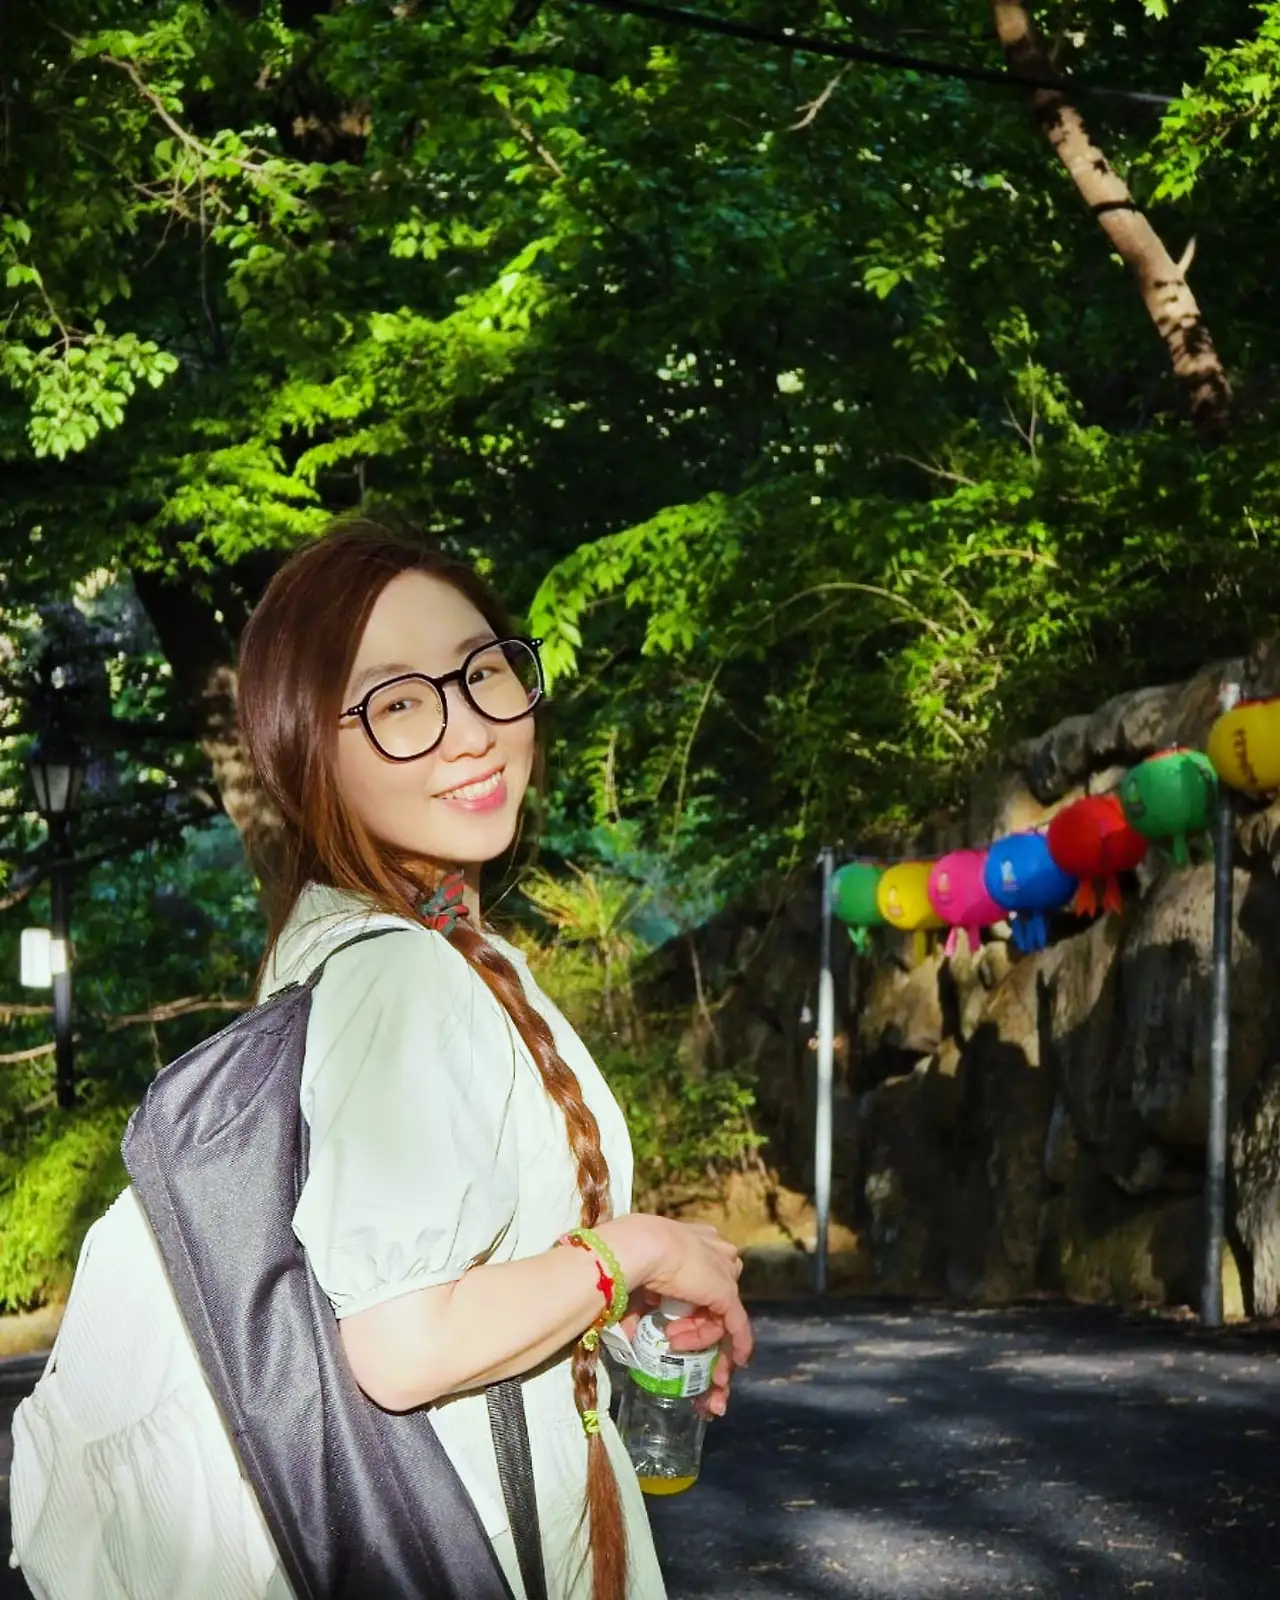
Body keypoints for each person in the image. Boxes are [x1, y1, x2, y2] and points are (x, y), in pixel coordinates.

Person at [12, 519, 753, 1600]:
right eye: (398, 704)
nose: (469, 732)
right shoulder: (398, 977)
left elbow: (451, 1280)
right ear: (303, 748)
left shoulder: (374, 951)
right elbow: (402, 1346)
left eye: (483, 673)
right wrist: (635, 1249)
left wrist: (597, 1298)